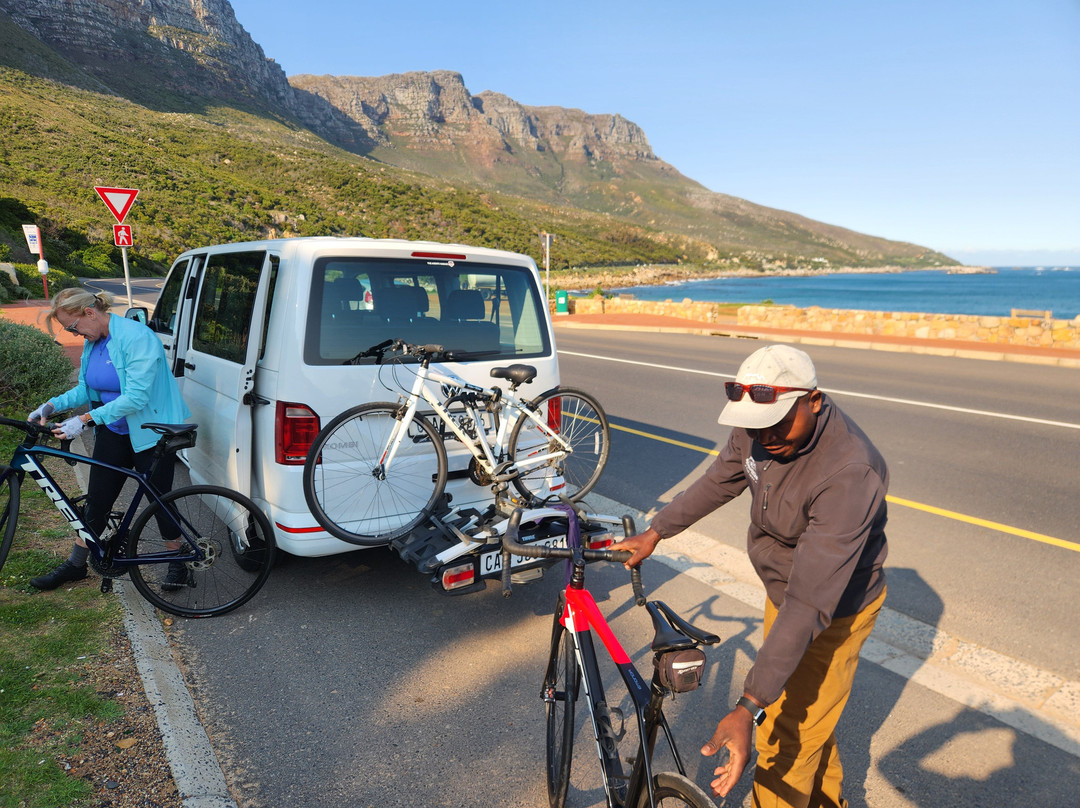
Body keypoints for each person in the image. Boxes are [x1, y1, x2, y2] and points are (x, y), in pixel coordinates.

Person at [612, 344, 888, 808]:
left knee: (787, 739)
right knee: (803, 713)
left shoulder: (849, 471)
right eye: (757, 426)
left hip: (834, 607)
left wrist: (746, 707)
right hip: (784, 590)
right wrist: (657, 530)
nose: (766, 435)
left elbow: (809, 604)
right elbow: (721, 478)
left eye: (779, 422)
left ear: (814, 401)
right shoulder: (758, 425)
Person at [27, 288, 191, 591]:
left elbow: (136, 397)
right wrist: (51, 405)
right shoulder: (95, 341)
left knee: (159, 502)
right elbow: (86, 389)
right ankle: (77, 565)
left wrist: (85, 419)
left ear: (89, 313)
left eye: (72, 327)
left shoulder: (136, 337)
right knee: (97, 502)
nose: (74, 334)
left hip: (151, 434)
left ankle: (180, 564)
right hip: (113, 432)